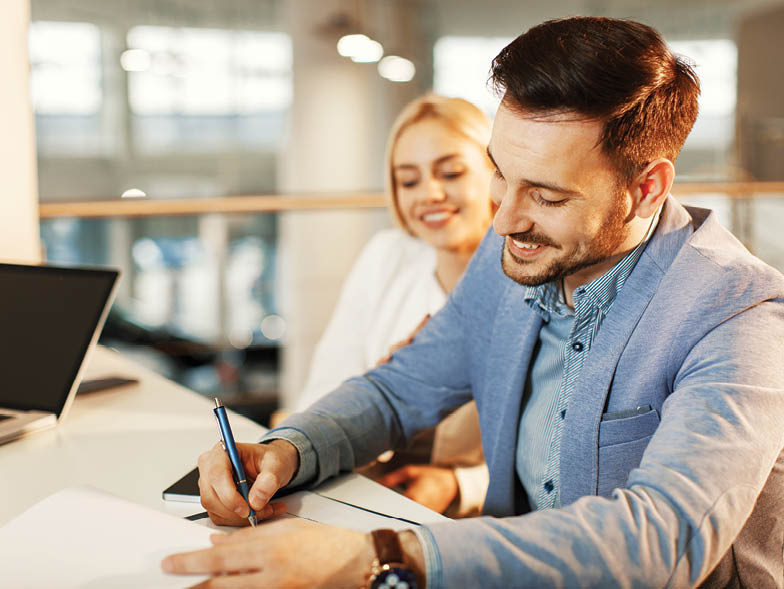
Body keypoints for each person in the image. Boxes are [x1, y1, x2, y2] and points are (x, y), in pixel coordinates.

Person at [162, 16, 784, 588]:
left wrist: (380, 557)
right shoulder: (515, 253)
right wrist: (289, 448)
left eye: (546, 196)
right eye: (499, 173)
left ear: (645, 188)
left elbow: (663, 542)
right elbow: (400, 389)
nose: (503, 219)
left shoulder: (740, 316)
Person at [289, 94, 494, 516]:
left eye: (451, 173)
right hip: (363, 492)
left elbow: (553, 454)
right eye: (408, 180)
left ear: (496, 172)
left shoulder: (532, 278)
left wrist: (459, 485)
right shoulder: (387, 256)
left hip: (477, 521)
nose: (430, 194)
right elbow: (322, 392)